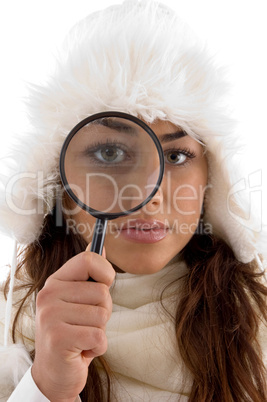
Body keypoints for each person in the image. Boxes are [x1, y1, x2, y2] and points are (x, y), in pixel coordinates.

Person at [0, 0, 266, 401]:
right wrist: (45, 387)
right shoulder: (8, 325)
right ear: (58, 179)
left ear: (213, 176)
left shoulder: (257, 323)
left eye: (176, 156)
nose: (148, 198)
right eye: (109, 153)